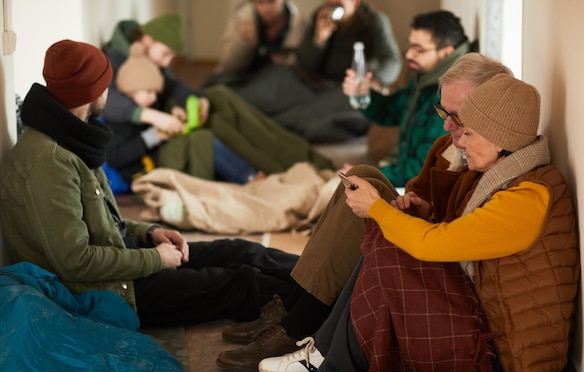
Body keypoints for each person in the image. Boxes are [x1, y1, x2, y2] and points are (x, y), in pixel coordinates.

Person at [258, 74, 580, 372]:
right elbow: (461, 240)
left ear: (498, 138)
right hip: (487, 334)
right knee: (389, 242)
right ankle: (327, 362)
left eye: (468, 132)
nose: (459, 141)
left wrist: (378, 208)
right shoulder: (510, 175)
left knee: (393, 247)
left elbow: (433, 246)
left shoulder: (529, 197)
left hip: (502, 371)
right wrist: (420, 212)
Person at [215, 53, 512, 372]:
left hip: (440, 270)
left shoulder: (489, 162)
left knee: (364, 201)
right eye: (443, 111)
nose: (446, 124)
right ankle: (291, 303)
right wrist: (419, 204)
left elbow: (457, 240)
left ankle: (298, 323)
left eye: (457, 115)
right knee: (362, 173)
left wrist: (383, 209)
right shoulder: (448, 147)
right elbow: (421, 191)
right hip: (429, 242)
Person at [0, 39, 305, 331]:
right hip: (116, 290)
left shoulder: (70, 137)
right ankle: (323, 306)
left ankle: (327, 278)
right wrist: (156, 258)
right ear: (92, 92)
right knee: (242, 283)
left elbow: (100, 224)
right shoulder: (49, 162)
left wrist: (148, 232)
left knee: (239, 250)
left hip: (125, 261)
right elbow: (76, 262)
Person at [102, 13, 334, 182]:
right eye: (166, 54)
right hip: (155, 136)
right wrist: (156, 119)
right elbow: (106, 101)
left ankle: (308, 161)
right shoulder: (114, 61)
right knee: (219, 123)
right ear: (148, 39)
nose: (166, 62)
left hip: (166, 120)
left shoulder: (151, 59)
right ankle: (278, 171)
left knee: (218, 96)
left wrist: (196, 101)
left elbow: (174, 86)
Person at [228, 0, 403, 143]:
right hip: (309, 84)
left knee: (312, 120)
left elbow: (392, 59)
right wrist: (319, 40)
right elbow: (306, 64)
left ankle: (266, 128)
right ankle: (231, 110)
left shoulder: (373, 21)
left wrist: (375, 80)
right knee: (270, 82)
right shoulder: (319, 16)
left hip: (343, 90)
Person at [343, 9, 472, 186]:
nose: (409, 55)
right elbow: (395, 110)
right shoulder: (426, 76)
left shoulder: (452, 93)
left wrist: (367, 175)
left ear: (446, 53)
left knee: (330, 191)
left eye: (418, 49)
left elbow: (425, 166)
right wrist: (365, 95)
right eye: (409, 45)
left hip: (418, 187)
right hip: (404, 176)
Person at [106, 41, 263, 185]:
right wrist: (154, 136)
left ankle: (246, 175)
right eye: (148, 92)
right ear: (130, 90)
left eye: (155, 92)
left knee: (202, 143)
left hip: (161, 156)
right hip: (146, 174)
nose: (153, 97)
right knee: (202, 141)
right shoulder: (120, 120)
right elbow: (115, 157)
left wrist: (173, 113)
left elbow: (169, 96)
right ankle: (247, 177)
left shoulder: (148, 102)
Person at [203, 0, 307, 86]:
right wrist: (244, 42)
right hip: (245, 74)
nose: (266, 8)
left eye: (271, 2)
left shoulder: (297, 20)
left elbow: (302, 63)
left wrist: (287, 59)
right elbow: (228, 64)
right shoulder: (243, 17)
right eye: (260, 2)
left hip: (279, 78)